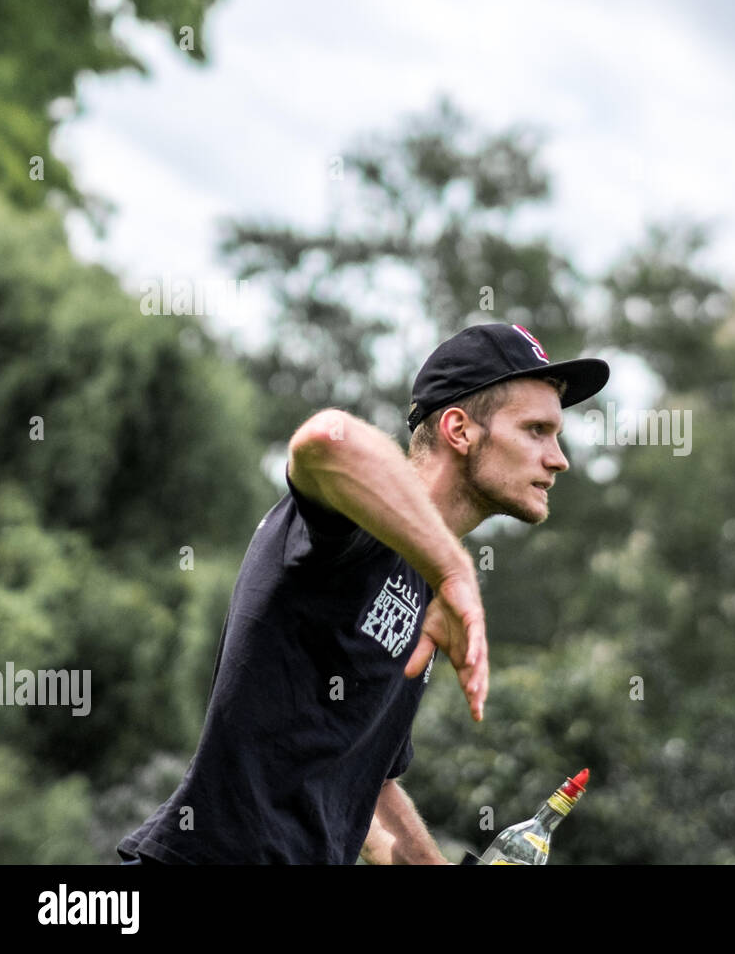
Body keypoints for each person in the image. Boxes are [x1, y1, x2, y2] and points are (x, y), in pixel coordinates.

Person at [116, 323, 609, 864]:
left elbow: (364, 788)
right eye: (536, 430)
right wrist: (452, 569)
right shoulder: (357, 525)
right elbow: (324, 439)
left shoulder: (425, 586)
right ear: (459, 430)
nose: (558, 458)